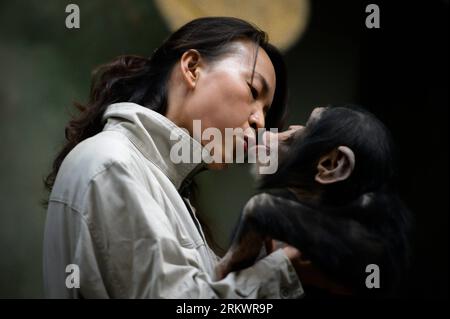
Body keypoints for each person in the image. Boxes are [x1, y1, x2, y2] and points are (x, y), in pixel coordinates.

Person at [43, 17, 304, 298]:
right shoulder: (114, 164)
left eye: (265, 111)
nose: (259, 122)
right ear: (192, 68)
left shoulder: (154, 179)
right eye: (253, 91)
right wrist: (282, 274)